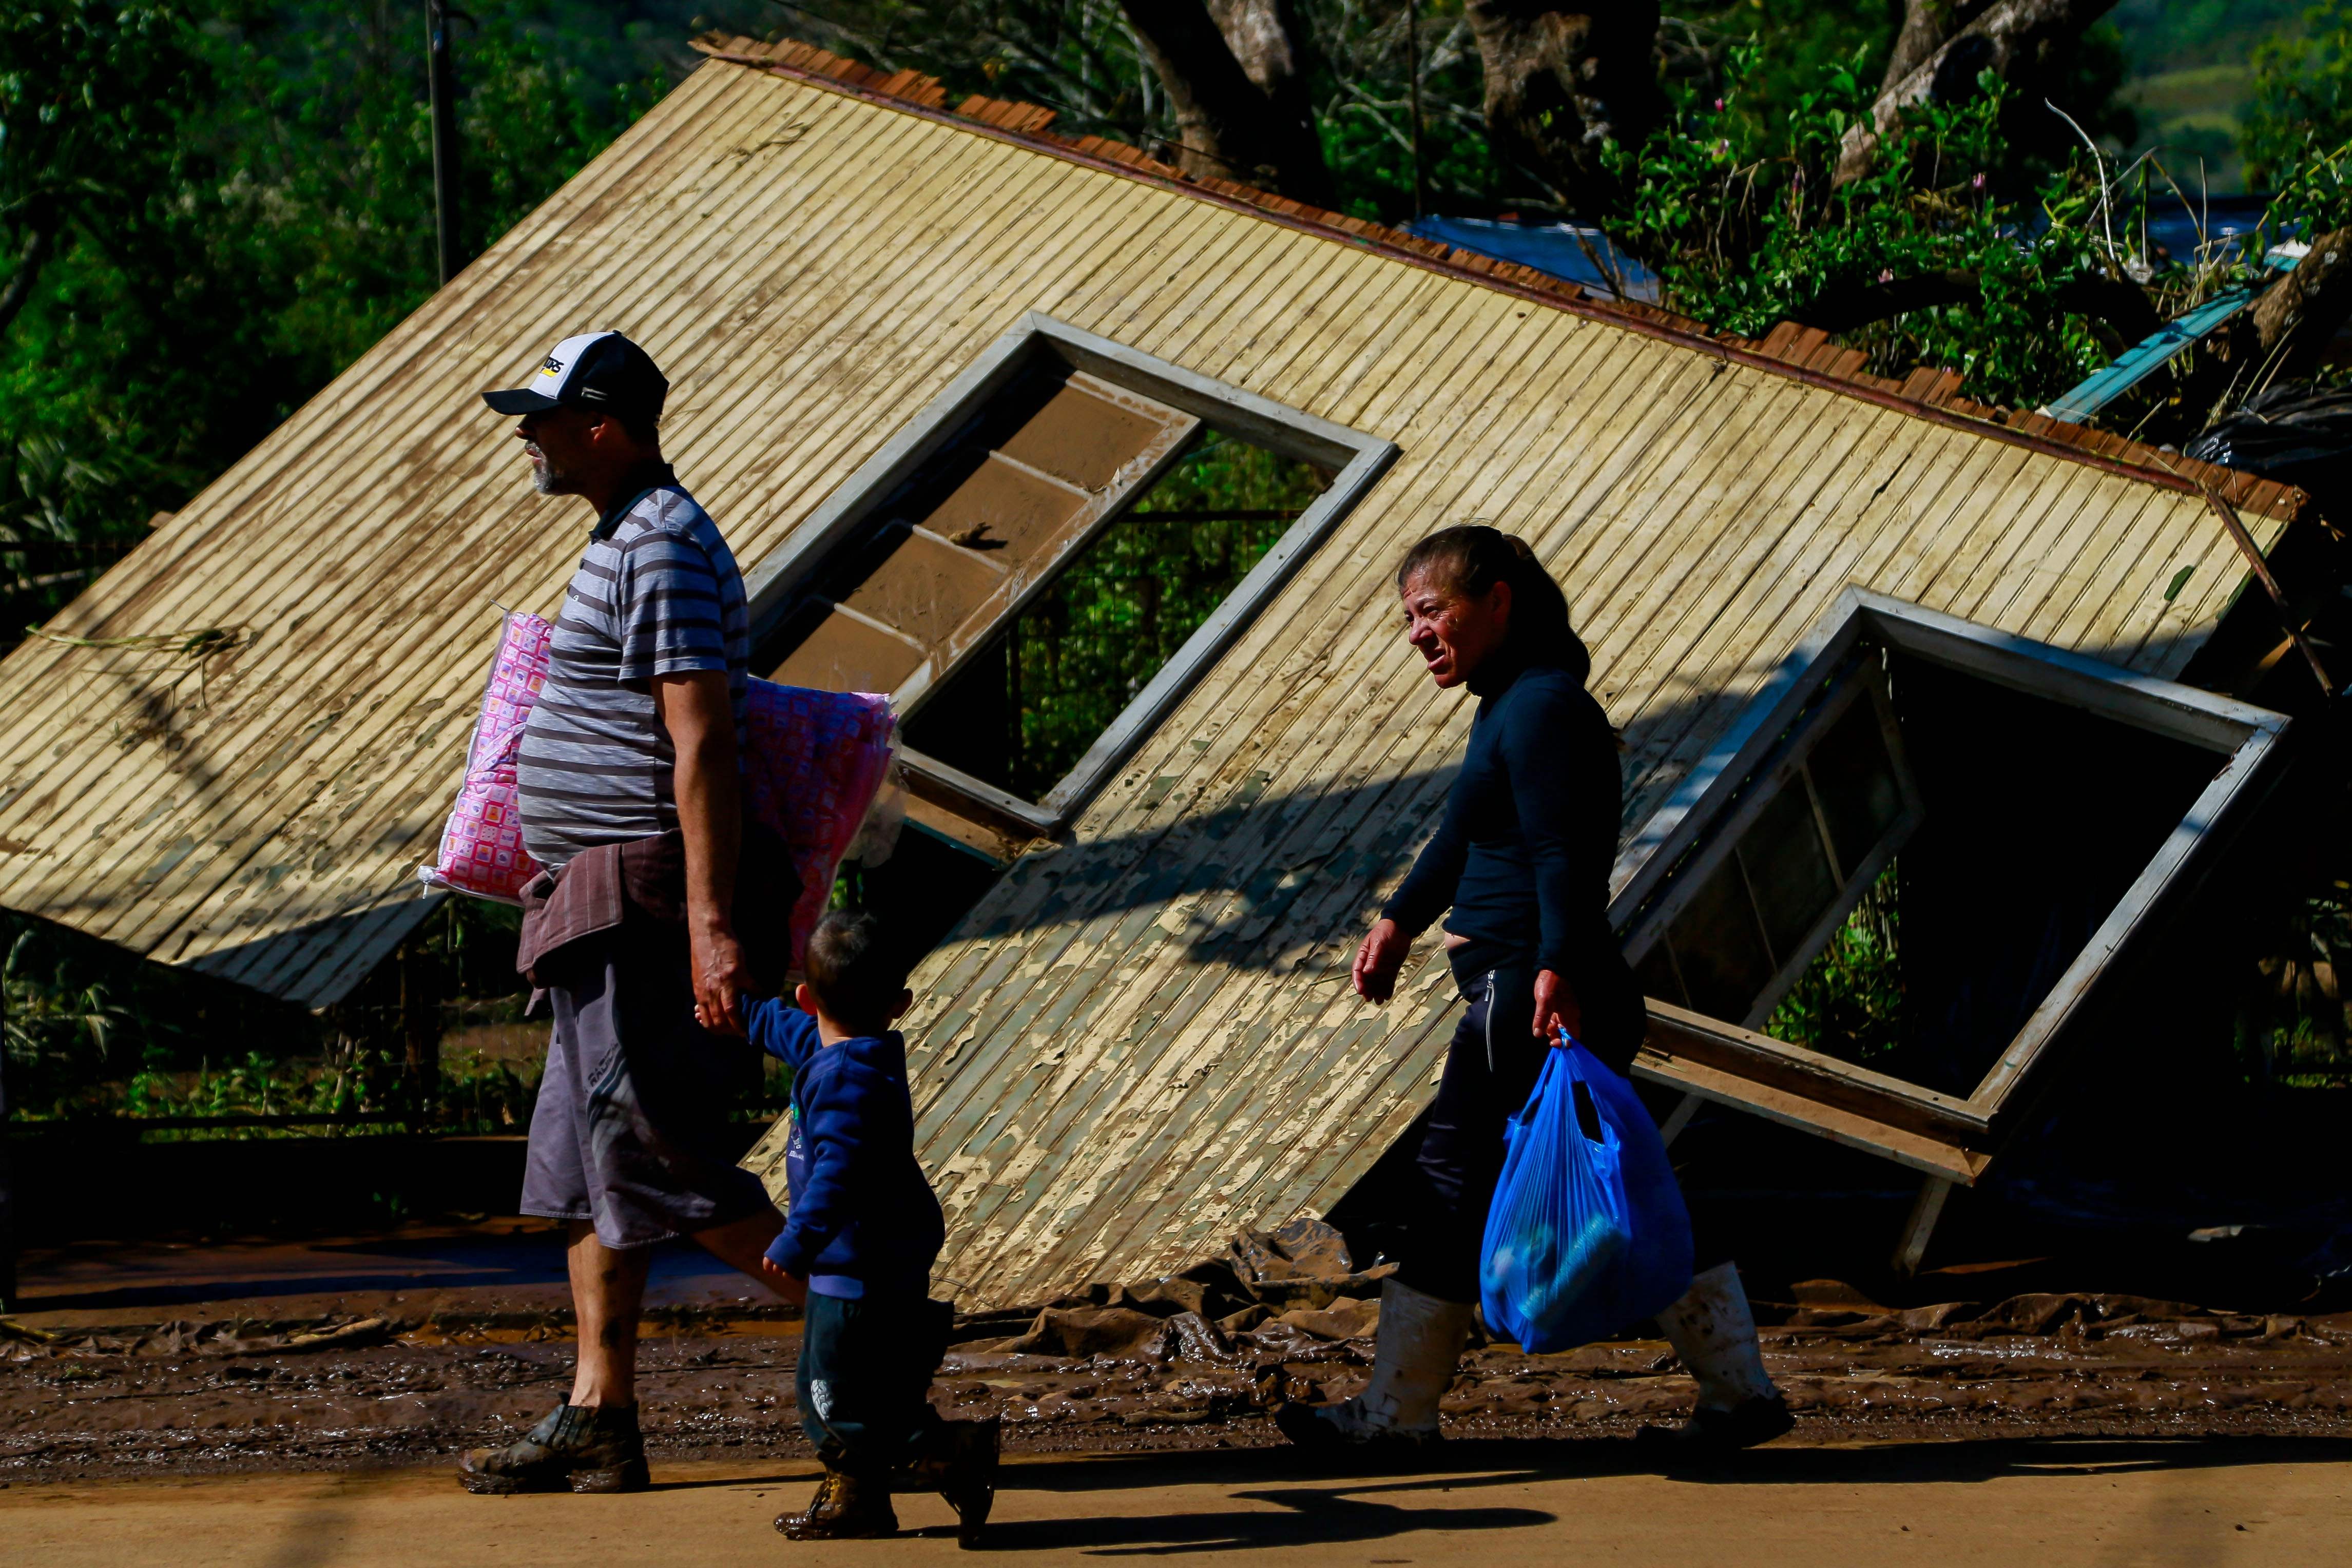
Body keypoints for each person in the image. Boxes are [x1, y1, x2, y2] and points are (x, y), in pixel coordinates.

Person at [1276, 525, 1790, 1453]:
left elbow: (1564, 852)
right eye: (1409, 619)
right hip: (1537, 981)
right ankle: (1737, 1393)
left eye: (1432, 611)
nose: (1417, 634)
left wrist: (1552, 966)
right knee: (1624, 1186)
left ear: (1498, 601)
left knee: (1446, 1184)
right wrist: (1399, 918)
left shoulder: (1544, 706)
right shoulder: (1507, 703)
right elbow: (1463, 837)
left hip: (1531, 990)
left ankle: (1395, 1414)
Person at [459, 331, 799, 1495]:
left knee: (655, 1153)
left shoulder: (660, 542)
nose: (527, 435)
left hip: (634, 894)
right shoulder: (622, 536)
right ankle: (598, 1410)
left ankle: (876, 1340)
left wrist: (711, 926)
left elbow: (700, 734)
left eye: (541, 416)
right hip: (588, 895)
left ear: (600, 425)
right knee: (577, 1165)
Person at [748, 910, 998, 1546]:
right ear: (901, 1003)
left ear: (807, 995)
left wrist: (796, 1239)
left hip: (857, 1269)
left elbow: (840, 1172)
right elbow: (788, 1032)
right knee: (849, 1387)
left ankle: (949, 1449)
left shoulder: (848, 1081)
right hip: (867, 1261)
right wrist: (740, 1013)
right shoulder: (853, 1052)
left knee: (833, 1399)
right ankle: (858, 1500)